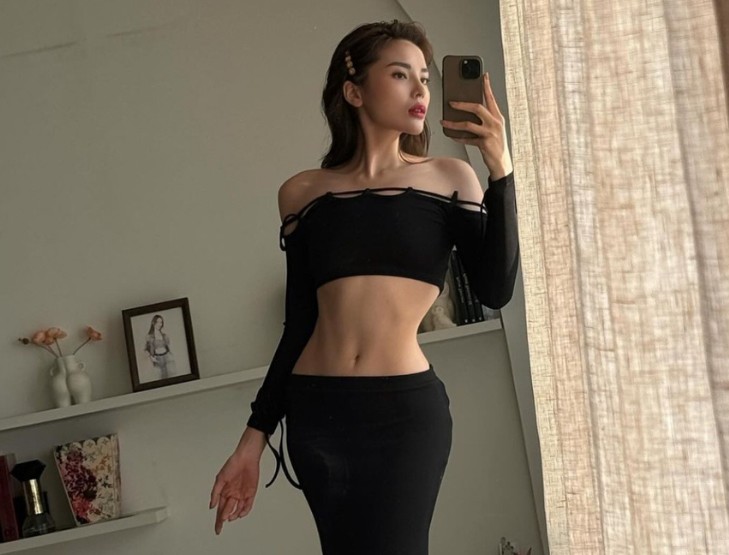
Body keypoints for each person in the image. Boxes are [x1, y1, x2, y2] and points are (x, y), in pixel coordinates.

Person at [209, 19, 519, 555]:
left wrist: (500, 169)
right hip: (317, 414)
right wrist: (252, 440)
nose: (420, 90)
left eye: (424, 78)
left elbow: (495, 289)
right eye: (400, 75)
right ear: (354, 91)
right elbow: (300, 324)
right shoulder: (302, 193)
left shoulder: (450, 178)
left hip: (404, 415)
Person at [143, 315, 177, 380]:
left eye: (161, 322)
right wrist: (152, 358)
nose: (159, 324)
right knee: (160, 379)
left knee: (170, 378)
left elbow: (168, 347)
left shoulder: (164, 335)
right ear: (153, 322)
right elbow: (147, 349)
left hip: (167, 358)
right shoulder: (149, 336)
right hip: (157, 359)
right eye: (157, 322)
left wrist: (171, 355)